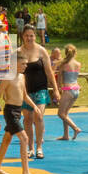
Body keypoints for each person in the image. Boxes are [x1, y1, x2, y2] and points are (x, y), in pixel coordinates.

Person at [0, 66, 40, 174]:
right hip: (10, 111)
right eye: (23, 64)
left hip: (18, 111)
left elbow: (24, 96)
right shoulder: (7, 77)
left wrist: (34, 106)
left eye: (26, 64)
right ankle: (25, 173)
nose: (25, 66)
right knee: (24, 139)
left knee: (7, 139)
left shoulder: (22, 77)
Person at [18, 25, 57, 161]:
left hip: (40, 88)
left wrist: (56, 89)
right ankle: (30, 148)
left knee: (38, 116)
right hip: (25, 91)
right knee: (27, 119)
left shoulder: (41, 51)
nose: (29, 38)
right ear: (22, 36)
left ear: (35, 36)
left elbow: (49, 71)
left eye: (32, 35)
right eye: (27, 35)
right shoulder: (18, 52)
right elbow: (12, 72)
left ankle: (39, 147)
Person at [56, 45, 82, 140]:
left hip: (68, 90)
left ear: (66, 53)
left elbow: (59, 79)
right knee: (65, 113)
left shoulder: (63, 65)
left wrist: (58, 89)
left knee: (60, 114)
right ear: (75, 53)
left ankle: (75, 128)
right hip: (76, 89)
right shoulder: (78, 64)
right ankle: (66, 135)